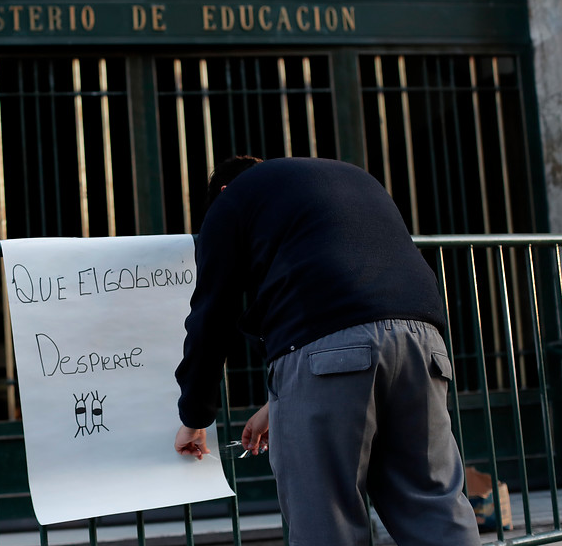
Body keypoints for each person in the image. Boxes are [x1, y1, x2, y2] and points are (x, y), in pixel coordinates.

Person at [173, 156, 480, 545]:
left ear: (222, 191)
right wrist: (277, 402)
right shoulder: (348, 179)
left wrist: (195, 416)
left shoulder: (231, 201)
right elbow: (364, 316)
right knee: (434, 505)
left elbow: (212, 318)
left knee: (326, 519)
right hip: (424, 342)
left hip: (328, 352)